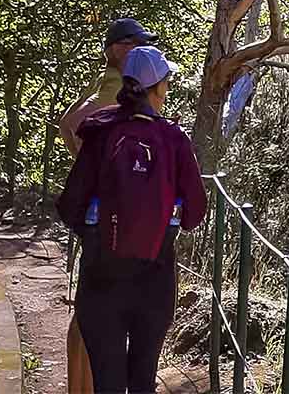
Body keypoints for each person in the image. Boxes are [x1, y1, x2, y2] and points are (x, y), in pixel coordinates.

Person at [57, 45, 206, 394]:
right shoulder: (174, 140)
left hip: (100, 275)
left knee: (107, 382)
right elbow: (196, 212)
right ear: (157, 88)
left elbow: (68, 206)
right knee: (142, 380)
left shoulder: (98, 131)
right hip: (154, 279)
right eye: (166, 83)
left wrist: (94, 233)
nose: (167, 91)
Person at [59, 18, 159, 394]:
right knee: (98, 314)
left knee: (90, 308)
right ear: (117, 48)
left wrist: (88, 163)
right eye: (136, 43)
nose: (144, 49)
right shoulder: (119, 87)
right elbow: (75, 124)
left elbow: (68, 123)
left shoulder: (106, 81)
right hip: (114, 218)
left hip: (96, 213)